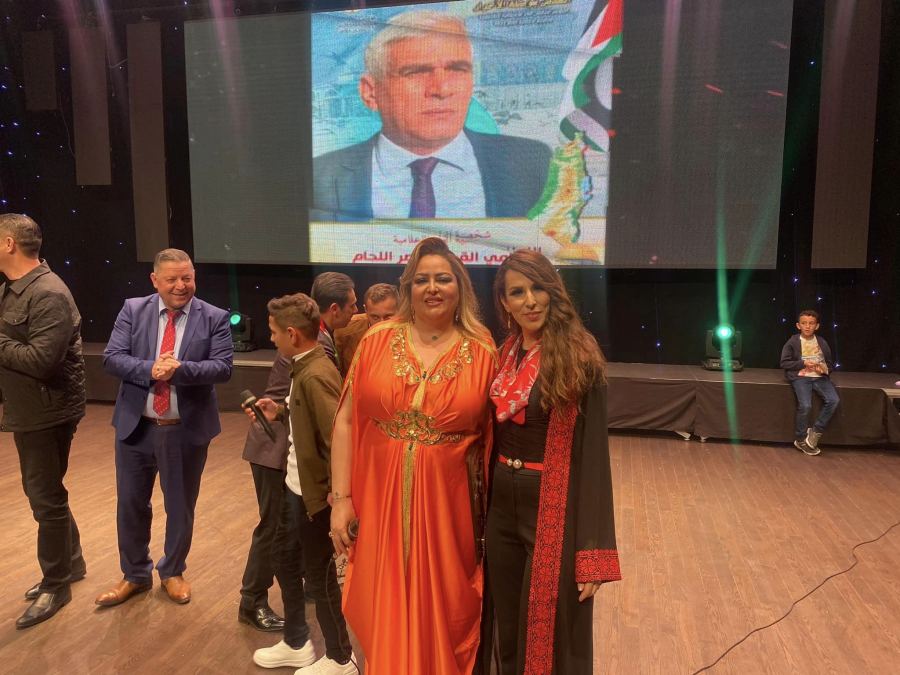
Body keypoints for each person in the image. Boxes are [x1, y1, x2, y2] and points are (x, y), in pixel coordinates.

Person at [330, 237, 497, 674]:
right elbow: (346, 421)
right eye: (422, 280)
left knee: (445, 609)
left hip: (449, 510)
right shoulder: (377, 340)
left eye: (443, 279)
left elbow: (494, 442)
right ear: (408, 288)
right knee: (381, 604)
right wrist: (340, 499)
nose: (432, 288)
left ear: (460, 286)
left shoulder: (483, 351)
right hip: (378, 504)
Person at [486, 249, 621, 674]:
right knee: (508, 625)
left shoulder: (579, 356)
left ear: (553, 291)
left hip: (550, 508)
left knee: (548, 626)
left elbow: (595, 459)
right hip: (500, 508)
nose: (530, 301)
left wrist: (592, 551)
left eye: (538, 288)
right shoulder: (504, 354)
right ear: (504, 302)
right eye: (517, 292)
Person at [313, 11, 551, 221]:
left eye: (457, 69)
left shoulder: (533, 162)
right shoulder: (321, 176)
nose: (441, 89)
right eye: (416, 72)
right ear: (371, 92)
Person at [96, 248, 233, 606]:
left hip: (183, 430)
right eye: (172, 279)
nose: (180, 286)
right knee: (130, 504)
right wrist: (150, 368)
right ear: (155, 280)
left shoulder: (214, 316)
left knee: (180, 506)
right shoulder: (132, 309)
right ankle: (134, 574)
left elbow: (223, 367)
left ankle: (172, 571)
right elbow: (112, 358)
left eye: (187, 278)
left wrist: (180, 369)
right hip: (136, 427)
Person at [248, 293, 355, 675]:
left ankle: (341, 658)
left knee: (320, 575)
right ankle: (296, 641)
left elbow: (337, 437)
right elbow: (308, 421)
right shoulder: (303, 367)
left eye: (274, 332)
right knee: (285, 559)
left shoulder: (316, 373)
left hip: (315, 498)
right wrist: (279, 412)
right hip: (296, 489)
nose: (271, 338)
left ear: (292, 334)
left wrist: (337, 498)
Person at [0, 214, 87, 629]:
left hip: (48, 412)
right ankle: (73, 562)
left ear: (9, 244)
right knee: (46, 492)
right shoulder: (11, 288)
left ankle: (57, 584)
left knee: (44, 498)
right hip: (27, 409)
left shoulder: (49, 293)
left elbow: (40, 360)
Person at [237, 354, 290, 632]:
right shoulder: (310, 344)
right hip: (273, 450)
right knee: (274, 526)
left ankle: (307, 583)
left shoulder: (327, 341)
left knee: (293, 523)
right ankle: (252, 601)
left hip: (284, 450)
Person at [780, 309, 840, 455]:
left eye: (811, 323)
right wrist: (803, 363)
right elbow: (784, 363)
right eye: (804, 323)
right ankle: (800, 438)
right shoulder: (793, 341)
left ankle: (815, 432)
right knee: (806, 405)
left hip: (820, 377)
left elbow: (830, 364)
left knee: (834, 400)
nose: (807, 326)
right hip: (801, 377)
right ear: (798, 325)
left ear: (817, 326)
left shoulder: (822, 342)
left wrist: (824, 369)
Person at [334, 282, 399, 378]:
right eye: (375, 317)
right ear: (366, 310)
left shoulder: (412, 333)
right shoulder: (344, 332)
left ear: (399, 310)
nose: (381, 324)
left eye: (387, 317)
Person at [311, 271, 357, 371]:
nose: (356, 310)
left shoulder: (310, 326)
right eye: (352, 306)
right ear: (334, 309)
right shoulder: (319, 347)